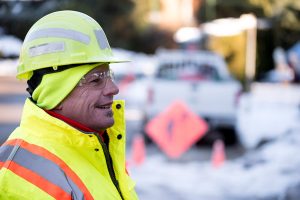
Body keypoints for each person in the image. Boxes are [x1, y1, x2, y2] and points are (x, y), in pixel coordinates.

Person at [0, 10, 138, 200]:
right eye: (96, 80)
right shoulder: (19, 177)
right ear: (55, 92)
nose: (113, 89)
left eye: (109, 75)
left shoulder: (97, 146)